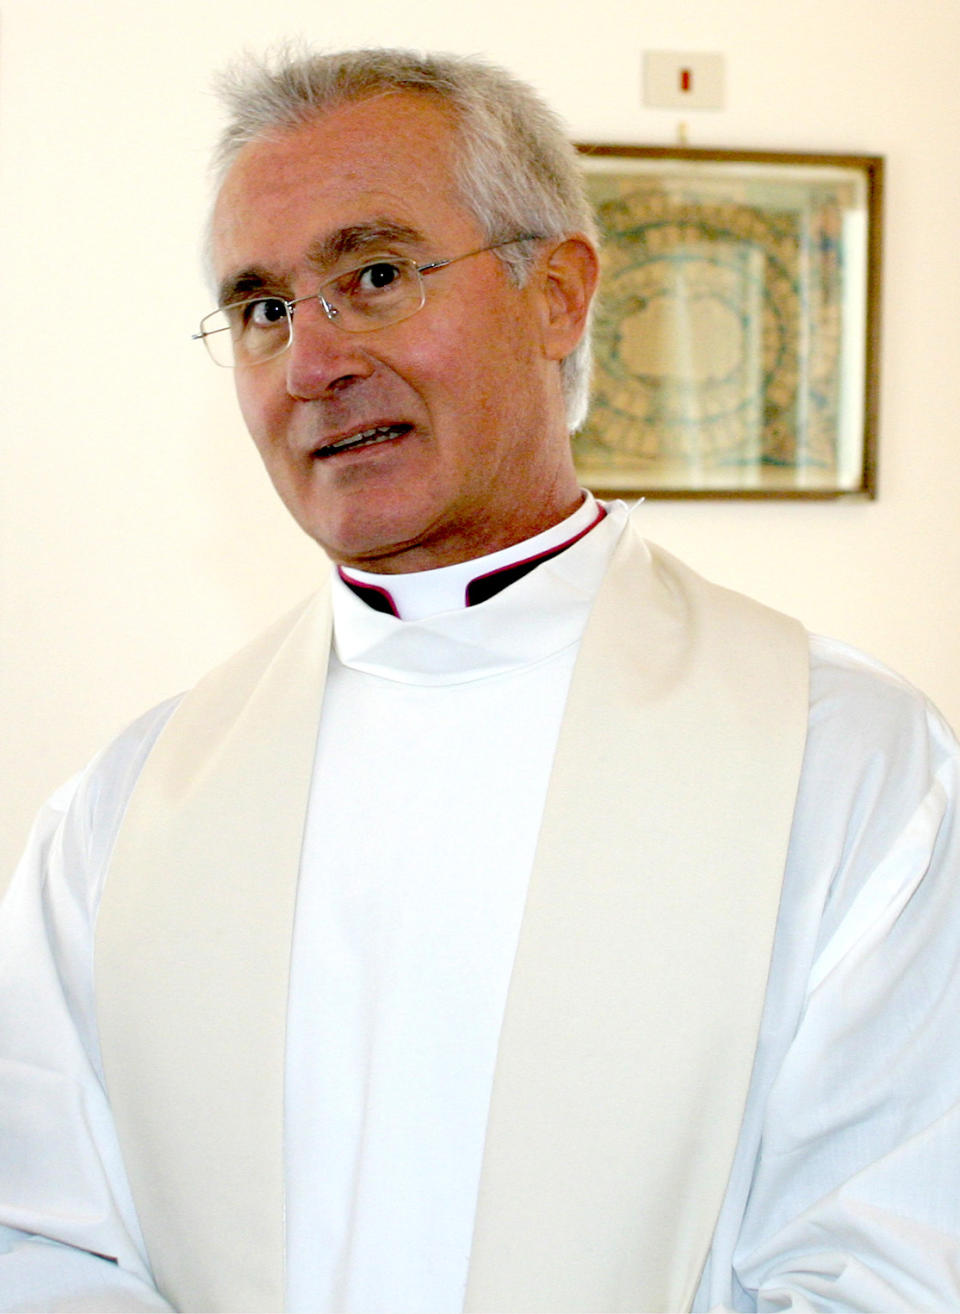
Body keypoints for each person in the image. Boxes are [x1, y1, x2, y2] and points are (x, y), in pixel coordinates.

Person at [1, 45, 959, 1314]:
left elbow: (890, 1263)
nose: (310, 365)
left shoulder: (845, 762)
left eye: (375, 276)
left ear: (557, 294)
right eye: (262, 310)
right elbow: (47, 1245)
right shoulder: (129, 812)